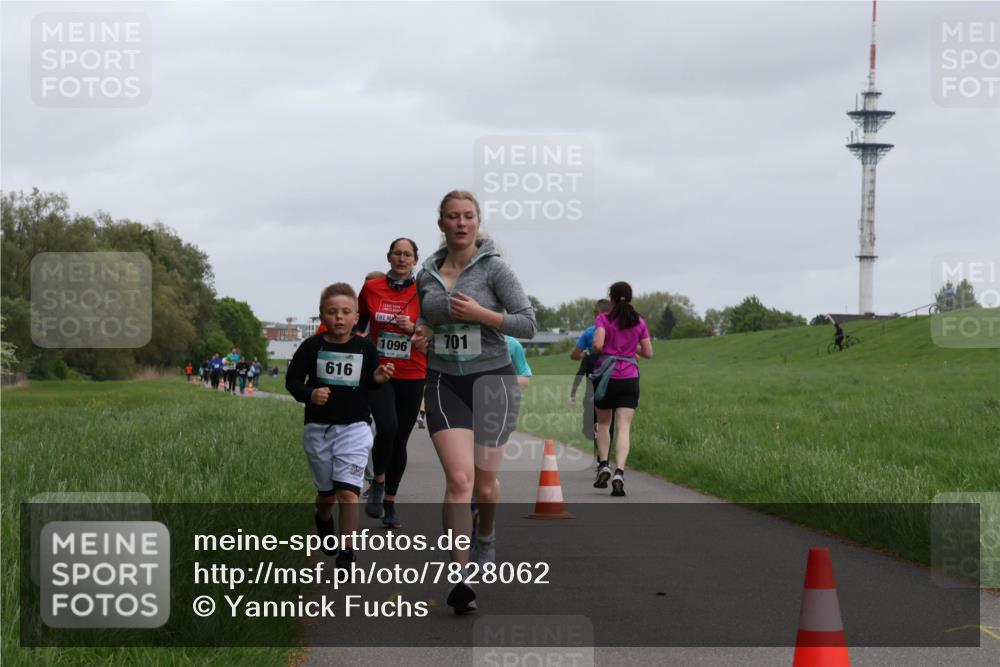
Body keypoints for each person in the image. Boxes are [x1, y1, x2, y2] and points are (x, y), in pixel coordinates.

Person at [413, 190, 536, 614]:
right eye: (453, 216)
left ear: (477, 222)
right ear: (441, 223)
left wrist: (484, 316)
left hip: (492, 381)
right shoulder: (425, 273)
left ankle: (486, 534)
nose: (461, 223)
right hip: (444, 381)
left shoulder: (496, 269)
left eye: (468, 216)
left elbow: (528, 324)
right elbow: (425, 317)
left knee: (484, 485)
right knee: (460, 480)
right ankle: (460, 576)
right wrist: (423, 331)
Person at [286, 283, 395, 569]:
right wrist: (310, 394)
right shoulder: (312, 347)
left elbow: (369, 382)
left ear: (356, 316)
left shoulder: (364, 348)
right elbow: (293, 381)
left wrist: (380, 378)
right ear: (322, 315)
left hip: (355, 427)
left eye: (346, 312)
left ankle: (347, 551)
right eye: (332, 312)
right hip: (318, 429)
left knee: (348, 492)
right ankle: (323, 519)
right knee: (326, 495)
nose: (339, 317)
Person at [355, 238, 428, 529]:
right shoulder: (372, 288)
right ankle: (379, 481)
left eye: (407, 254)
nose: (401, 258)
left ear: (415, 259)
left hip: (413, 371)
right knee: (387, 427)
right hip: (380, 371)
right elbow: (359, 321)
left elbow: (436, 329)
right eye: (397, 253)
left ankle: (390, 503)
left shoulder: (425, 291)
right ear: (389, 257)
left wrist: (417, 329)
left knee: (400, 439)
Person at [590, 281, 652, 497]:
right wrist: (629, 347)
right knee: (624, 427)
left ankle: (604, 464)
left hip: (606, 377)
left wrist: (608, 347)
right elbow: (648, 353)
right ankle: (619, 472)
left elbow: (598, 345)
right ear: (631, 298)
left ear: (612, 298)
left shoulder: (603, 319)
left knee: (604, 424)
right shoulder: (639, 322)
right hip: (629, 377)